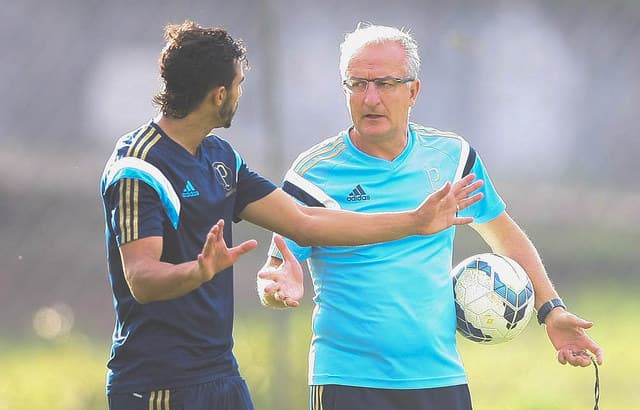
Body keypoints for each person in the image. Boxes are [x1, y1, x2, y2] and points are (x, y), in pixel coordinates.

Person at [99, 20, 485, 410]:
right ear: (219, 95)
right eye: (238, 84)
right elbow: (142, 279)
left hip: (219, 374)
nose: (240, 93)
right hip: (157, 383)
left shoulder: (220, 158)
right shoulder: (140, 166)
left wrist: (413, 222)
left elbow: (306, 220)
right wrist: (198, 271)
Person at [257, 23, 604, 410]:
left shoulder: (453, 159)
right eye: (357, 84)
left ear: (413, 91)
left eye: (385, 83)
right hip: (347, 380)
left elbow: (504, 236)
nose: (370, 98)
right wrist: (276, 289)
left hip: (440, 377)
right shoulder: (312, 174)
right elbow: (275, 275)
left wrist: (551, 310)